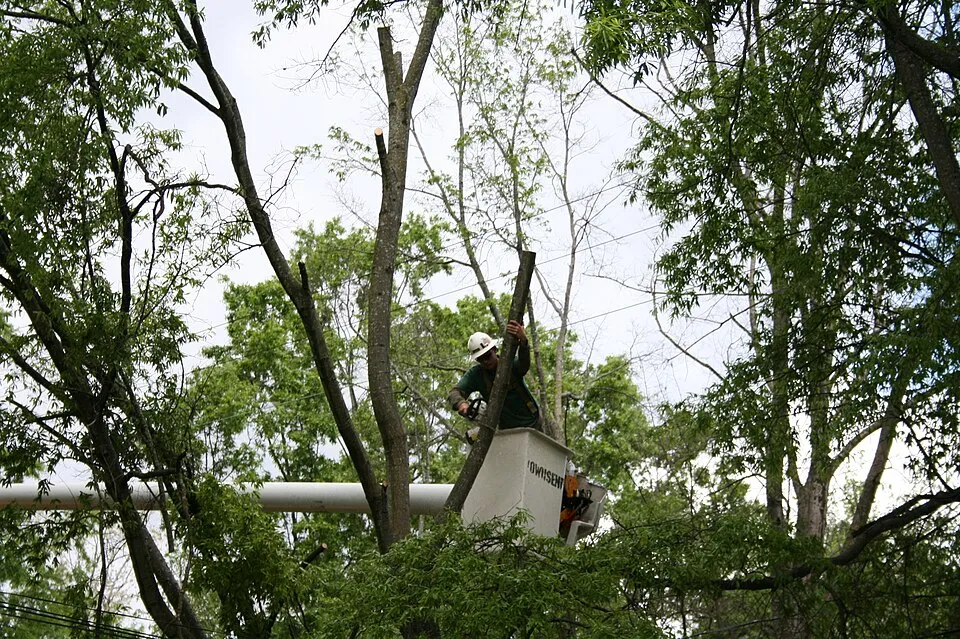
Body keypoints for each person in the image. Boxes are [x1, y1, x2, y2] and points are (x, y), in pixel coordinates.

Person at [447, 320, 543, 432]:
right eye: (480, 359)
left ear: (494, 349)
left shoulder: (508, 363)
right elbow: (454, 393)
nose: (485, 361)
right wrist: (461, 404)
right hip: (507, 430)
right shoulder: (476, 375)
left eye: (487, 356)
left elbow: (524, 365)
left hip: (533, 422)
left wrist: (523, 342)